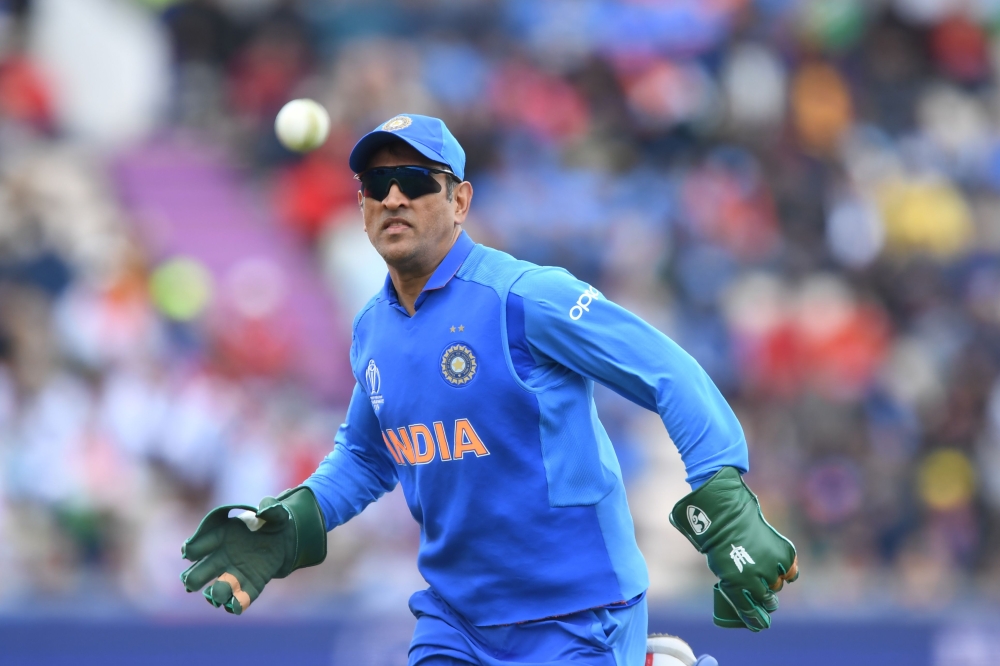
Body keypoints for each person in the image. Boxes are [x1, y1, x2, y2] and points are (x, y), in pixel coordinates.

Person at [180, 114, 798, 666]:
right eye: (376, 184)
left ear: (460, 200)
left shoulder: (524, 296)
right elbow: (367, 456)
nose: (394, 196)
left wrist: (722, 491)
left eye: (416, 180)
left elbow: (668, 370)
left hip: (576, 611)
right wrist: (298, 515)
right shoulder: (372, 328)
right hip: (456, 620)